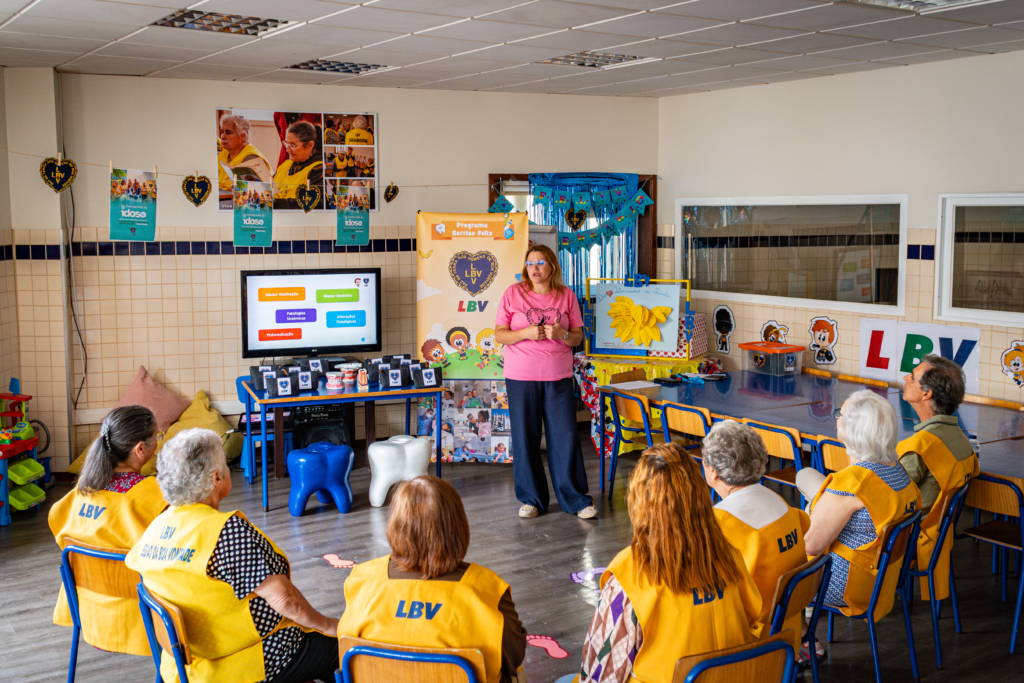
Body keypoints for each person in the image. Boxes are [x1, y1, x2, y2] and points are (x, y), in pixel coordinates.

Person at [126, 429, 339, 683]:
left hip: (187, 667)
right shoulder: (227, 532)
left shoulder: (157, 527)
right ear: (216, 478)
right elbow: (285, 600)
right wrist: (327, 625)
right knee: (345, 650)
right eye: (225, 465)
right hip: (248, 662)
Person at [569, 443, 761, 683]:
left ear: (639, 501)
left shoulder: (630, 573)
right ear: (699, 494)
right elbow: (752, 617)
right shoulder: (729, 555)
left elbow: (601, 673)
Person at [337, 476, 526, 683]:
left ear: (395, 526)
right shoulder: (489, 590)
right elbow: (514, 656)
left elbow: (345, 646)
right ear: (458, 527)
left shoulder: (362, 580)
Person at [796, 391, 922, 624]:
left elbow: (810, 545)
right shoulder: (900, 473)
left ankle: (803, 638)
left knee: (774, 573)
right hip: (886, 577)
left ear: (852, 429)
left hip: (849, 584)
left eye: (840, 414)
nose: (836, 418)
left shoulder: (851, 483)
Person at [49, 406, 166, 656]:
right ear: (141, 450)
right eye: (157, 436)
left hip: (88, 611)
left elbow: (58, 525)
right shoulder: (154, 495)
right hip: (141, 618)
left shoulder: (80, 491)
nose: (159, 441)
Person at [495, 244, 595, 519]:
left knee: (564, 438)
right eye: (530, 263)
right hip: (520, 377)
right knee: (525, 438)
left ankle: (576, 500)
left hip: (558, 376)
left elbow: (577, 338)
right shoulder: (513, 293)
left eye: (540, 263)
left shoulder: (566, 296)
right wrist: (525, 332)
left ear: (552, 266)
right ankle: (531, 499)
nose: (534, 268)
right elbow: (500, 335)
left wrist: (562, 333)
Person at [703, 420, 811, 657]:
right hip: (787, 627)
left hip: (749, 641)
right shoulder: (782, 504)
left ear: (713, 472)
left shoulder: (717, 523)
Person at [898, 355, 979, 600]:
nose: (905, 378)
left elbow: (888, 494)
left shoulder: (921, 444)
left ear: (927, 394)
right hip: (935, 535)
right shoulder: (962, 438)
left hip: (905, 538)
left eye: (912, 377)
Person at [273, 120, 324, 210]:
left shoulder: (319, 169)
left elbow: (314, 204)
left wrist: (274, 203)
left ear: (310, 145)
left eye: (292, 145)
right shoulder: (285, 165)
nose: (288, 150)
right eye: (286, 144)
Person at [217, 114, 271, 192]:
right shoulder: (222, 154)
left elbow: (261, 192)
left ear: (242, 137)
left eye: (228, 133)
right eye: (222, 132)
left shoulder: (252, 157)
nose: (222, 137)